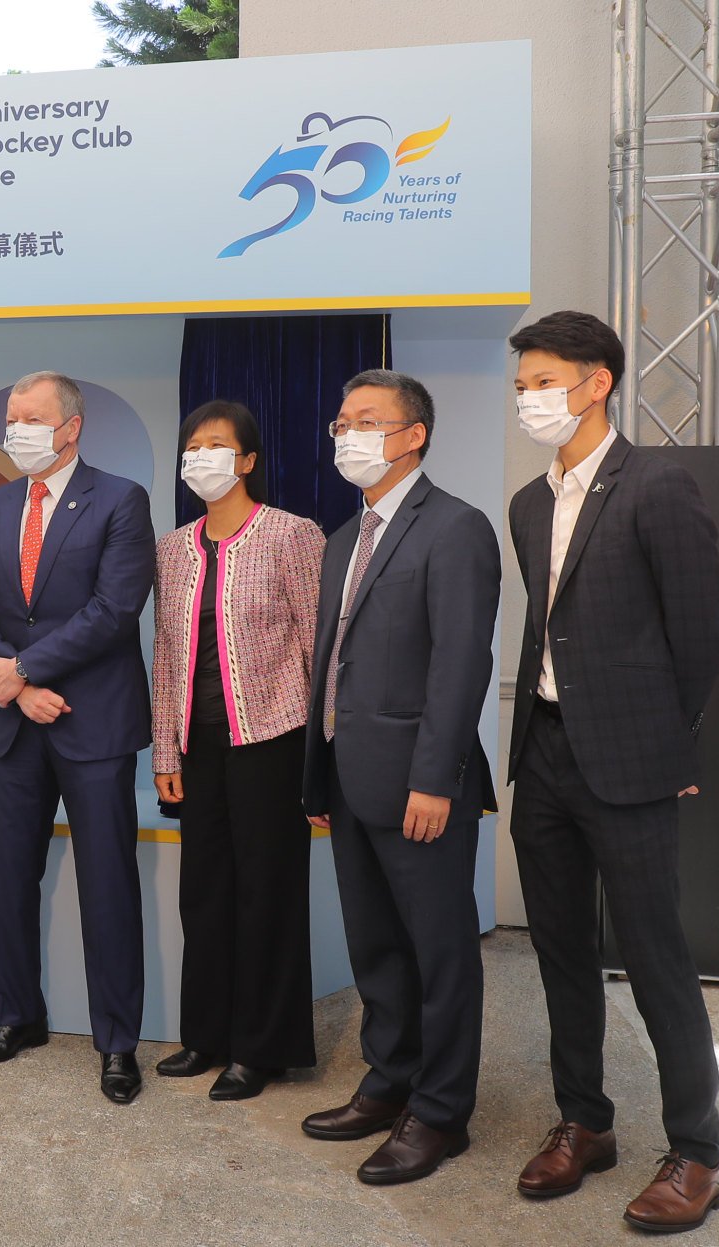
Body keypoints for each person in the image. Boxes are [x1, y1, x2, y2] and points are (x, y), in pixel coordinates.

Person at [505, 311, 719, 1232]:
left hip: (629, 762)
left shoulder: (657, 487)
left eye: (544, 381)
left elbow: (701, 634)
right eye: (521, 385)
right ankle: (584, 1121)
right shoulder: (529, 503)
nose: (530, 399)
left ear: (597, 381)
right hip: (545, 752)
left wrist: (661, 742)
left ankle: (699, 1152)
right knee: (557, 951)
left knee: (654, 959)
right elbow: (546, 631)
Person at [299, 369, 499, 1184]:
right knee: (376, 946)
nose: (346, 432)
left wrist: (435, 776)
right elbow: (333, 666)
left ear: (413, 433)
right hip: (349, 779)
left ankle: (441, 1112)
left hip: (421, 784)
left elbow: (461, 663)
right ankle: (389, 1082)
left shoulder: (455, 527)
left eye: (366, 419)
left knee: (440, 951)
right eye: (341, 419)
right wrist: (320, 776)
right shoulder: (345, 538)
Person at [0, 370, 156, 1105]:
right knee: (10, 879)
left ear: (71, 426)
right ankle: (18, 1015)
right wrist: (19, 685)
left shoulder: (120, 500)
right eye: (12, 417)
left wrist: (29, 669)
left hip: (93, 723)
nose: (18, 430)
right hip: (14, 724)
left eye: (31, 417)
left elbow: (114, 608)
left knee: (107, 884)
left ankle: (117, 1042)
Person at [150, 401, 324, 1101]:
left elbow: (320, 651)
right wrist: (165, 750)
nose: (201, 457)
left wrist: (324, 763)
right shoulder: (172, 546)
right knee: (206, 893)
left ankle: (262, 1048)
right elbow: (165, 656)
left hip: (272, 742)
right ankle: (207, 1036)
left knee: (268, 895)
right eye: (192, 445)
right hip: (200, 746)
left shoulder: (292, 535)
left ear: (248, 460)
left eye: (217, 445)